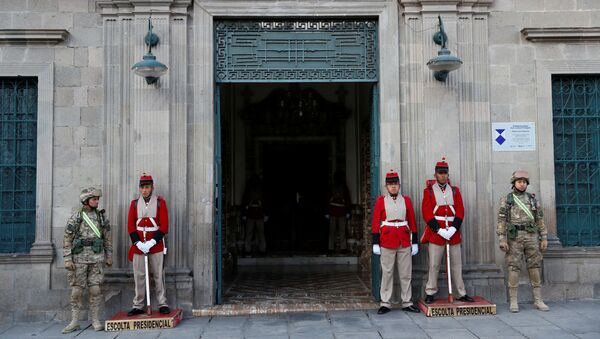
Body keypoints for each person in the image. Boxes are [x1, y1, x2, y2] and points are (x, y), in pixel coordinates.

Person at [421, 157, 474, 304]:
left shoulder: (455, 191)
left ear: (448, 174)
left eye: (445, 173)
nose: (443, 175)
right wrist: (438, 230)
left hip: (453, 232)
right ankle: (430, 291)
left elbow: (460, 211)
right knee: (434, 264)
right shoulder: (429, 191)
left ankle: (460, 292)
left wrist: (453, 228)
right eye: (440, 173)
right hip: (436, 233)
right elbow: (426, 212)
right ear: (435, 175)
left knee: (457, 264)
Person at [497, 170, 549, 312]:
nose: (522, 184)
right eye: (519, 182)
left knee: (535, 266)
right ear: (514, 183)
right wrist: (502, 239)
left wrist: (543, 237)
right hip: (515, 237)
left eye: (524, 182)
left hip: (531, 236)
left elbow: (540, 219)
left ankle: (538, 300)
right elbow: (501, 220)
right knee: (514, 267)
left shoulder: (532, 199)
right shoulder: (507, 200)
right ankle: (513, 301)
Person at [62, 187, 112, 333]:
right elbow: (67, 238)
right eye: (94, 199)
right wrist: (67, 258)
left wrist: (109, 255)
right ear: (86, 201)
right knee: (77, 290)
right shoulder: (76, 217)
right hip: (79, 258)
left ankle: (95, 320)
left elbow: (107, 238)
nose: (97, 201)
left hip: (96, 257)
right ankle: (75, 321)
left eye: (97, 199)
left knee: (95, 289)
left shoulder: (102, 217)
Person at [372, 170, 420, 314]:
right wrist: (375, 242)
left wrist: (415, 241)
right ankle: (385, 302)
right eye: (390, 184)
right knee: (387, 272)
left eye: (395, 184)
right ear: (386, 186)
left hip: (404, 240)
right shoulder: (381, 201)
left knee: (405, 273)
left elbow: (412, 221)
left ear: (399, 185)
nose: (393, 187)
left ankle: (407, 301)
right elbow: (375, 222)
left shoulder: (406, 200)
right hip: (386, 240)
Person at [127, 173, 170, 316]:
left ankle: (162, 303)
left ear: (152, 187)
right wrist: (138, 243)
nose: (144, 190)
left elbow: (164, 226)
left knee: (158, 274)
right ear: (139, 189)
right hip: (139, 245)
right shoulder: (134, 204)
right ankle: (138, 304)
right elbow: (131, 226)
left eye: (147, 187)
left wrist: (152, 241)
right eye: (142, 187)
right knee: (138, 275)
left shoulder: (160, 202)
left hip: (155, 244)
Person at [326, 170, 352, 253]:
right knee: (338, 231)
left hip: (337, 211)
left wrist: (348, 211)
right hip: (338, 211)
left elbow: (347, 200)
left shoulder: (339, 187)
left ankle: (335, 248)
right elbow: (327, 199)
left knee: (336, 231)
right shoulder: (339, 187)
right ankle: (339, 248)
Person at [242, 174, 267, 255]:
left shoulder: (250, 189)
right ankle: (261, 250)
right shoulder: (261, 189)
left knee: (250, 233)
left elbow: (245, 201)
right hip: (257, 214)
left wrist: (244, 214)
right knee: (260, 233)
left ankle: (248, 250)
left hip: (252, 214)